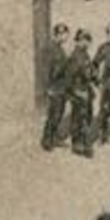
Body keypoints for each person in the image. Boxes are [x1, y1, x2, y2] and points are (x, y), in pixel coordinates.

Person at [66, 29, 97, 157]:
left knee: (87, 117)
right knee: (79, 118)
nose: (87, 43)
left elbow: (89, 71)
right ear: (78, 41)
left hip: (85, 90)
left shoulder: (84, 54)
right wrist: (76, 91)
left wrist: (94, 78)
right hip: (78, 91)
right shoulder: (75, 56)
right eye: (84, 40)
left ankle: (84, 142)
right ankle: (78, 144)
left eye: (88, 40)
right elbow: (70, 77)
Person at [41, 23, 72, 151]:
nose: (66, 38)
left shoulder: (58, 48)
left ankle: (53, 137)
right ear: (57, 35)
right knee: (54, 115)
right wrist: (48, 88)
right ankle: (47, 140)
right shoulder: (50, 49)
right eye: (64, 35)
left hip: (61, 86)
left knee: (58, 113)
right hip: (55, 87)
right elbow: (47, 70)